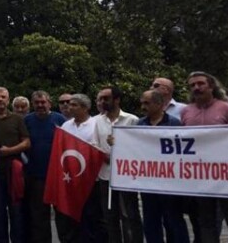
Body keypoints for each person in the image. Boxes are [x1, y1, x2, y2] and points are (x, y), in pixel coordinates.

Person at [181, 71, 228, 243]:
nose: (196, 87)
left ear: (211, 86)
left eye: (201, 83)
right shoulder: (186, 111)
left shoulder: (227, 109)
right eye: (192, 85)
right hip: (200, 176)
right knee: (206, 221)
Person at [135, 90, 189, 243]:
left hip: (170, 182)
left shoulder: (174, 123)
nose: (143, 106)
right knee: (151, 219)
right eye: (142, 103)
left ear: (159, 104)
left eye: (147, 103)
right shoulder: (140, 123)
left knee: (173, 219)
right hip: (148, 181)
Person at [95, 86, 143, 243]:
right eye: (100, 99)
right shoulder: (97, 121)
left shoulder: (132, 120)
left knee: (130, 215)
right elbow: (94, 144)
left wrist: (120, 154)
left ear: (117, 99)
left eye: (106, 98)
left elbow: (139, 146)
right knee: (110, 216)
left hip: (126, 177)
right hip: (106, 175)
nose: (102, 102)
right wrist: (104, 155)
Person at [0, 87, 29, 243]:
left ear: (8, 99)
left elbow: (26, 142)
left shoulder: (17, 119)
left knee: (16, 212)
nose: (0, 99)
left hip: (15, 172)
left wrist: (10, 151)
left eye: (3, 97)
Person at [57, 94, 102, 243]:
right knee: (71, 217)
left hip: (91, 180)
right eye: (69, 104)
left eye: (74, 105)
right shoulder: (66, 125)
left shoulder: (96, 124)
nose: (69, 107)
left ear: (85, 108)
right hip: (71, 180)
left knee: (91, 216)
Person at [23, 91, 66, 243]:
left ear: (49, 103)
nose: (40, 105)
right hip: (36, 176)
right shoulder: (26, 120)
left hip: (58, 176)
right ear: (32, 104)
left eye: (43, 102)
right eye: (37, 102)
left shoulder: (60, 119)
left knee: (62, 215)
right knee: (39, 216)